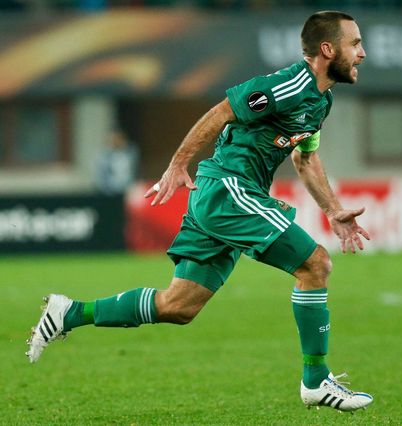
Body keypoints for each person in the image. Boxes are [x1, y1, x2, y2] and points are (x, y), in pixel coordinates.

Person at [27, 11, 373, 412]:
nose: (362, 53)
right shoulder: (287, 84)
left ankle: (69, 312)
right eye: (355, 44)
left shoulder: (321, 101)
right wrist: (178, 164)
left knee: (179, 306)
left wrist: (333, 210)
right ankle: (316, 381)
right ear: (328, 50)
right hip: (229, 190)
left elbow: (305, 159)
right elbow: (222, 111)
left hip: (224, 197)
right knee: (315, 264)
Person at [95, 127, 139, 195]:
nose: (115, 141)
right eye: (113, 139)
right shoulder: (105, 157)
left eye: (118, 139)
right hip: (110, 193)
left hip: (128, 192)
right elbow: (101, 178)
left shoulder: (131, 153)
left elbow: (135, 172)